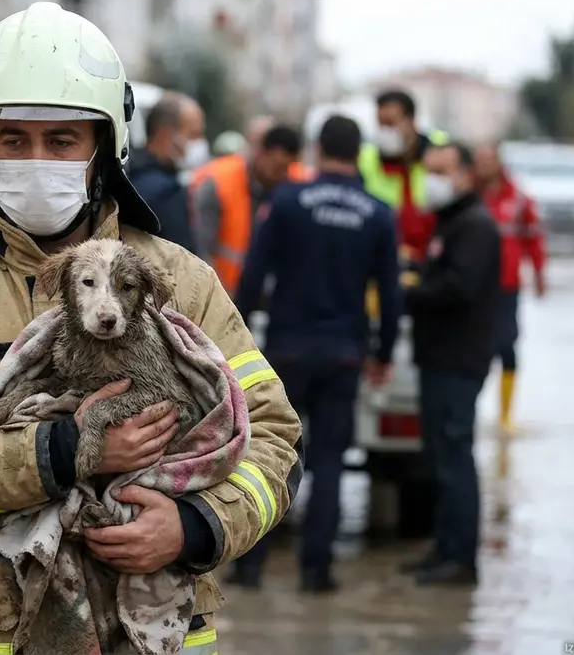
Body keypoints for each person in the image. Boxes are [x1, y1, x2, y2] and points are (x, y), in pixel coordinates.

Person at [0, 2, 304, 651]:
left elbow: (276, 440)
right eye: (13, 139)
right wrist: (66, 450)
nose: (36, 159)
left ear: (104, 148)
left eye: (61, 140)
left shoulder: (180, 281)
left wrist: (195, 524)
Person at [231, 115, 402, 592]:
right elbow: (390, 296)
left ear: (318, 148)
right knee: (328, 461)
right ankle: (316, 571)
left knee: (270, 454)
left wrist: (230, 337)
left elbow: (252, 276)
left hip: (284, 351)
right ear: (357, 151)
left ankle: (249, 568)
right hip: (344, 353)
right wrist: (384, 352)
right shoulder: (377, 213)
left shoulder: (287, 201)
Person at [401, 142, 501, 586]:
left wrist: (409, 292)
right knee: (439, 456)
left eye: (440, 171)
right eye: (428, 172)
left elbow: (459, 288)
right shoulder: (452, 222)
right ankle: (443, 547)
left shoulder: (475, 227)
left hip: (459, 359)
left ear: (463, 174)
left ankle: (461, 558)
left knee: (454, 454)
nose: (431, 181)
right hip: (440, 356)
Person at [474, 143, 547, 437]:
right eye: (480, 161)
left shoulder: (517, 197)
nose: (484, 166)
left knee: (507, 346)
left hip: (506, 285)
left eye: (489, 160)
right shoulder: (470, 195)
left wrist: (539, 272)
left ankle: (505, 415)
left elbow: (533, 237)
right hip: (474, 285)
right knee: (474, 348)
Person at [190, 125, 303, 290]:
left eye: (285, 168)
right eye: (276, 165)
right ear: (261, 152)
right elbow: (200, 247)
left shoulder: (298, 185)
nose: (279, 173)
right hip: (225, 291)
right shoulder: (219, 183)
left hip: (273, 297)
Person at [358, 89, 450, 265]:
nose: (385, 131)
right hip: (385, 258)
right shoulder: (366, 159)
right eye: (380, 124)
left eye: (391, 123)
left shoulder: (439, 152)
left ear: (412, 121)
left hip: (432, 261)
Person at [127, 92, 207, 254]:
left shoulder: (128, 173)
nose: (198, 144)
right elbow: (182, 263)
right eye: (193, 134)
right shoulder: (166, 192)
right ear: (165, 134)